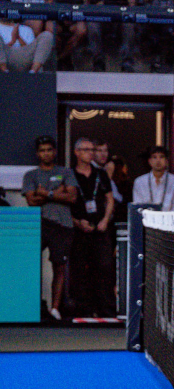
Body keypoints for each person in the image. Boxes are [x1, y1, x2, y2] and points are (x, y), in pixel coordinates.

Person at [22, 136, 76, 320]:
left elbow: (72, 198)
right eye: (42, 150)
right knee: (31, 264)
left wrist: (45, 192)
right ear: (38, 153)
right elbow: (31, 201)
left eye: (49, 149)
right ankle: (33, 305)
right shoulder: (31, 175)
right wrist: (58, 193)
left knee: (59, 266)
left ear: (54, 151)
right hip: (40, 223)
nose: (46, 153)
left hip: (63, 225)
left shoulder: (66, 172)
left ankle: (55, 308)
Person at [68, 137, 115, 318]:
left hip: (100, 228)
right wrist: (77, 222)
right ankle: (83, 308)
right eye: (87, 150)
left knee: (105, 266)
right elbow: (65, 204)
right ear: (77, 152)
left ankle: (106, 308)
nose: (91, 154)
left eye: (92, 150)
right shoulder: (69, 174)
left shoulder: (100, 174)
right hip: (79, 229)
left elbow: (109, 199)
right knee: (79, 268)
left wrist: (105, 220)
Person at [132, 145, 174, 211]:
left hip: (167, 218)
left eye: (161, 157)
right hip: (147, 219)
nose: (158, 160)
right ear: (149, 161)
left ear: (166, 161)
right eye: (154, 157)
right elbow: (138, 207)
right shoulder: (140, 182)